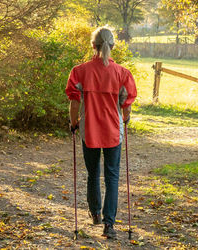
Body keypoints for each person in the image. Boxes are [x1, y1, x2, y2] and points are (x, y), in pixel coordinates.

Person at [65, 26, 137, 239]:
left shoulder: (80, 71)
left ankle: (95, 213)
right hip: (114, 131)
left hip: (90, 130)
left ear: (93, 46)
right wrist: (126, 119)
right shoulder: (122, 73)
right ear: (112, 46)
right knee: (112, 176)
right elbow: (126, 104)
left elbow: (74, 102)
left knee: (93, 173)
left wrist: (73, 123)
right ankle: (109, 225)